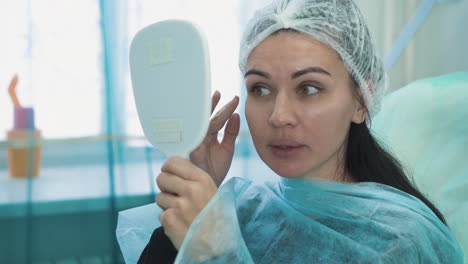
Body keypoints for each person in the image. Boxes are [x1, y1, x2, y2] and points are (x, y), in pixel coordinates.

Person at [135, 0, 464, 263]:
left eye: (308, 88)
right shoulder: (243, 211)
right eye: (261, 89)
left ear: (361, 102)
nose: (279, 117)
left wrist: (218, 253)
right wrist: (184, 224)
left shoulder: (399, 242)